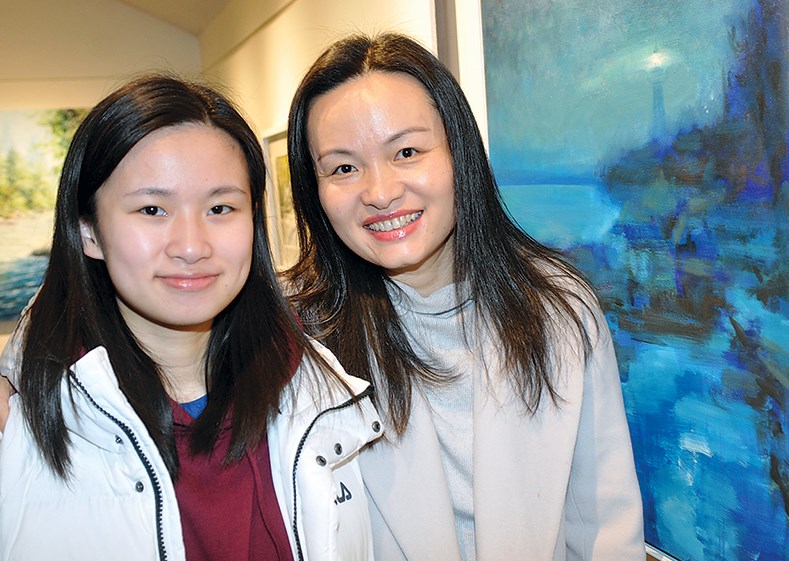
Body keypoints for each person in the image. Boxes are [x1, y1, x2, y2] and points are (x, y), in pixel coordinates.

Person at [284, 32, 645, 561]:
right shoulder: (296, 336)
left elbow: (604, 527)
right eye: (343, 167)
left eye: (406, 151)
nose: (380, 192)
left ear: (460, 154)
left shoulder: (559, 308)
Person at [0, 74, 382, 561]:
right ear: (89, 232)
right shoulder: (27, 424)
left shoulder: (317, 384)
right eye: (152, 209)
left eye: (221, 207)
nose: (191, 246)